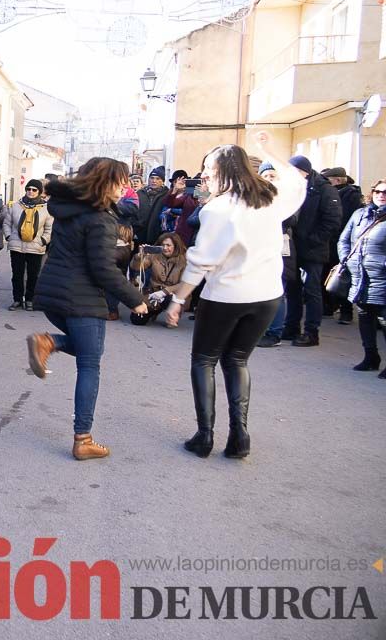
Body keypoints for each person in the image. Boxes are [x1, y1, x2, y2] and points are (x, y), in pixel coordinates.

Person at [163, 133, 307, 459]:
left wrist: (177, 299)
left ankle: (204, 436)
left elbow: (202, 259)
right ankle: (240, 435)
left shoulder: (219, 209)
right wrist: (270, 149)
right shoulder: (268, 198)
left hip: (227, 295)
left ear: (226, 171)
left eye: (210, 170)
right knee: (237, 360)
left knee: (204, 360)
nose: (205, 175)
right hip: (267, 296)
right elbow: (297, 183)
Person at [25, 158, 149, 461]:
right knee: (90, 365)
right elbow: (103, 269)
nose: (125, 188)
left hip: (54, 294)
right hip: (80, 299)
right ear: (103, 182)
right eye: (119, 182)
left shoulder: (69, 209)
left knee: (89, 352)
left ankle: (49, 342)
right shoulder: (100, 219)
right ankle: (83, 439)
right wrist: (136, 299)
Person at [281, 155, 342, 347]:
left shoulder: (324, 190)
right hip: (292, 247)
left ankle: (311, 332)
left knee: (311, 290)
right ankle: (291, 328)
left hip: (313, 249)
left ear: (303, 172)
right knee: (292, 289)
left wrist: (312, 240)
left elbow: (332, 222)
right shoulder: (291, 189)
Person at [337, 179, 386, 377]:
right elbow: (344, 239)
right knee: (365, 317)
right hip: (360, 275)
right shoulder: (360, 214)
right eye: (378, 191)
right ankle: (370, 357)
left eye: (385, 192)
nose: (381, 195)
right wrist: (346, 261)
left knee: (384, 320)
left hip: (382, 277)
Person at [255, 161, 300, 348]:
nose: (269, 179)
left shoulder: (286, 198)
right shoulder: (257, 196)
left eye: (272, 176)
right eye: (265, 176)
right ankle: (262, 330)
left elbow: (291, 219)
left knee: (277, 292)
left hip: (281, 249)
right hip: (259, 248)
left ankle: (275, 332)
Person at [323, 166, 364, 325]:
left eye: (328, 180)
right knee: (330, 275)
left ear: (338, 180)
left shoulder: (350, 196)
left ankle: (345, 311)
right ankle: (330, 306)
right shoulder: (335, 193)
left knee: (343, 277)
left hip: (344, 242)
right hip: (332, 241)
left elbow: (344, 219)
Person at [3, 180, 52, 311]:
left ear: (39, 192)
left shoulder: (46, 209)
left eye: (34, 189)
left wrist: (43, 240)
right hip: (16, 246)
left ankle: (30, 300)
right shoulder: (16, 206)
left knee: (33, 276)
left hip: (36, 247)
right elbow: (6, 223)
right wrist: (9, 236)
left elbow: (50, 229)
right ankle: (17, 299)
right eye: (28, 189)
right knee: (17, 275)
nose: (30, 191)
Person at [129, 232, 187, 327]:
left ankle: (173, 316)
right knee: (137, 320)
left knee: (170, 299)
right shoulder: (155, 256)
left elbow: (184, 284)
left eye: (168, 245)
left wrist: (165, 291)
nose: (165, 248)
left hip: (174, 294)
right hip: (153, 294)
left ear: (176, 246)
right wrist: (139, 257)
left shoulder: (184, 260)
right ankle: (154, 311)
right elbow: (136, 268)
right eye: (163, 245)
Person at [134, 166, 169, 244]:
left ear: (162, 181)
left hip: (158, 235)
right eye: (152, 178)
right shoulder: (140, 193)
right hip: (139, 234)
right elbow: (133, 212)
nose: (154, 181)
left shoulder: (167, 194)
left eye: (157, 178)